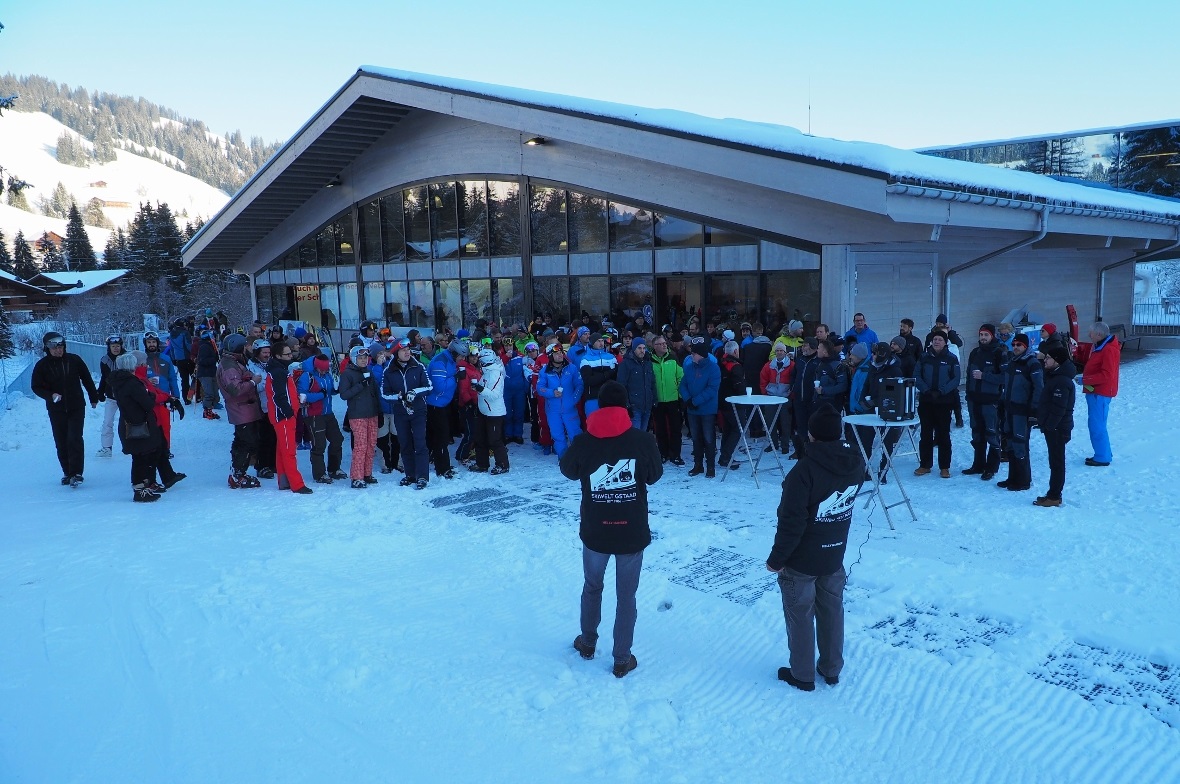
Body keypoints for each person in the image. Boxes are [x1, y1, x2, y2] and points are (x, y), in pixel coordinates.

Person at [561, 381, 663, 679]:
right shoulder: (643, 440)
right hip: (631, 531)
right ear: (625, 407)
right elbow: (655, 475)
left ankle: (588, 642)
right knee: (626, 596)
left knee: (592, 586)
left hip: (596, 530)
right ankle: (621, 659)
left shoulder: (583, 441)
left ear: (599, 406)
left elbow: (567, 470)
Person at [766, 403, 864, 692]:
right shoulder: (855, 463)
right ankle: (831, 668)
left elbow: (791, 523)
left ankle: (802, 674)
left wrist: (776, 559)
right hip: (834, 555)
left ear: (811, 435)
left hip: (802, 561)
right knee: (832, 611)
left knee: (800, 615)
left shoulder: (803, 472)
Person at [31, 331, 99, 487]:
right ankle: (67, 473)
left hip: (76, 406)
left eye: (60, 347)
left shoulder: (74, 360)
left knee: (75, 438)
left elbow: (87, 378)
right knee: (61, 440)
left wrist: (93, 397)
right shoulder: (42, 365)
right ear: (47, 348)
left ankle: (76, 473)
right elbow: (35, 386)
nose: (58, 350)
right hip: (56, 409)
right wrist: (50, 395)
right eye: (54, 348)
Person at [108, 353, 171, 502]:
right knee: (142, 457)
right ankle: (140, 489)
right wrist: (151, 395)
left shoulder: (118, 382)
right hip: (139, 424)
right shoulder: (132, 383)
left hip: (129, 423)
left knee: (139, 456)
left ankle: (142, 486)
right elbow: (147, 403)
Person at [216, 333, 264, 489]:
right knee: (246, 442)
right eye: (244, 346)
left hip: (245, 409)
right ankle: (238, 474)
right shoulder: (229, 366)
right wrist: (253, 382)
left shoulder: (234, 361)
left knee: (243, 441)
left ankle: (238, 471)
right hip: (241, 410)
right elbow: (235, 389)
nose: (246, 348)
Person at [383, 338, 433, 488]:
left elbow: (429, 387)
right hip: (400, 412)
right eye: (403, 350)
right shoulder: (388, 371)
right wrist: (398, 398)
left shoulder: (418, 366)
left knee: (420, 443)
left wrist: (415, 392)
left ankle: (422, 476)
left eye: (408, 349)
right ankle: (410, 474)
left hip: (418, 411)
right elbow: (384, 394)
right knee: (405, 444)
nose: (407, 352)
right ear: (396, 353)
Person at [265, 342, 313, 494]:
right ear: (278, 356)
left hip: (285, 415)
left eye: (290, 353)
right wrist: (289, 412)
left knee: (282, 449)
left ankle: (284, 480)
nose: (290, 356)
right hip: (284, 417)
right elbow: (278, 396)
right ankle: (296, 484)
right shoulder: (278, 372)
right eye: (287, 354)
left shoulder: (280, 370)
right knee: (289, 451)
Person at [963, 324, 1008, 481]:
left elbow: (1005, 378)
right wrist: (968, 395)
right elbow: (969, 376)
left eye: (986, 335)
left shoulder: (999, 353)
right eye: (981, 334)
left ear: (992, 336)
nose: (983, 337)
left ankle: (991, 467)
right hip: (974, 400)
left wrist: (984, 376)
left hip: (991, 401)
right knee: (977, 433)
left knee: (991, 433)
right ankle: (978, 464)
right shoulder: (975, 352)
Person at [998, 334, 1042, 492]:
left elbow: (1039, 388)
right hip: (1010, 409)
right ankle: (1013, 477)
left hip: (1022, 411)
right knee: (1010, 443)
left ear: (1026, 346)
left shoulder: (1032, 363)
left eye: (1019, 345)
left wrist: (1034, 410)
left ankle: (1023, 480)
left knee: (1020, 444)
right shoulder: (1012, 361)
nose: (1015, 347)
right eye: (1014, 344)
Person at [914, 331, 960, 478]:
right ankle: (925, 465)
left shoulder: (951, 358)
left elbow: (956, 379)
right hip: (926, 401)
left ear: (945, 342)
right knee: (925, 434)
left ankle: (944, 467)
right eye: (935, 339)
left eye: (940, 339)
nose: (937, 341)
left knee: (943, 435)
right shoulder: (924, 357)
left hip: (944, 402)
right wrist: (926, 390)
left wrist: (942, 391)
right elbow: (916, 375)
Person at [1035, 344, 1076, 507]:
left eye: (1048, 358)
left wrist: (1050, 426)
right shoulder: (1055, 376)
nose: (1045, 360)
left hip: (1058, 428)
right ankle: (1053, 493)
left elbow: (1059, 408)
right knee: (1055, 462)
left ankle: (1054, 496)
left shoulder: (1061, 381)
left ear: (1057, 361)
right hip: (1054, 427)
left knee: (1057, 463)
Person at [298, 351, 346, 485]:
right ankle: (319, 474)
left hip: (327, 412)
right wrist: (321, 395)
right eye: (322, 369)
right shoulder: (307, 376)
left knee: (337, 439)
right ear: (316, 366)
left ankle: (334, 469)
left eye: (326, 369)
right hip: (313, 414)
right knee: (319, 445)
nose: (324, 372)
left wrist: (336, 389)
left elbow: (328, 391)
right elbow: (302, 396)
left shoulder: (327, 375)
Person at [338, 345, 382, 488]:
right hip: (357, 415)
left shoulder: (369, 371)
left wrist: (379, 411)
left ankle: (367, 473)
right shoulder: (347, 374)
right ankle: (356, 477)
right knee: (361, 446)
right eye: (360, 358)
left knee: (371, 445)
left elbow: (375, 393)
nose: (364, 360)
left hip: (372, 413)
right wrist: (360, 385)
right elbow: (344, 394)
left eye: (365, 358)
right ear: (353, 359)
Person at [679, 337, 721, 477]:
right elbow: (683, 385)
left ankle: (710, 467)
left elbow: (712, 389)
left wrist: (695, 401)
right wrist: (688, 400)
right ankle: (698, 465)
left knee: (708, 438)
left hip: (707, 409)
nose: (691, 356)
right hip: (692, 409)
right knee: (696, 438)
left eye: (694, 353)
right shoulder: (689, 367)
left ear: (701, 355)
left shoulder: (713, 368)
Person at [1080, 322, 1120, 467]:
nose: (1089, 335)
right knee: (1097, 424)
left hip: (1100, 393)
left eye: (1091, 333)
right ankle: (1104, 453)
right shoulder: (1102, 346)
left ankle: (1102, 457)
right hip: (1096, 391)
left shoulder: (1108, 349)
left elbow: (1106, 375)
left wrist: (1085, 380)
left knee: (1097, 426)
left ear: (1099, 334)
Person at [536, 343, 584, 458]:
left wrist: (573, 400)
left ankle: (579, 458)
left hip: (570, 409)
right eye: (556, 353)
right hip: (553, 410)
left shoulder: (572, 368)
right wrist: (551, 393)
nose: (560, 355)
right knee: (558, 436)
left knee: (575, 434)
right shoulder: (544, 371)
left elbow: (579, 385)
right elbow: (540, 388)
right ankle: (563, 458)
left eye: (561, 352)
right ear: (550, 356)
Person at [424, 339, 460, 480]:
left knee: (434, 436)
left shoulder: (449, 359)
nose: (462, 360)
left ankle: (430, 462)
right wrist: (455, 378)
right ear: (455, 353)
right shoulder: (440, 362)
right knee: (441, 437)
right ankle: (443, 468)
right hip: (436, 404)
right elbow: (439, 387)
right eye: (461, 356)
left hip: (442, 403)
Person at [471, 347, 510, 474]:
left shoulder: (495, 373)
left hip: (494, 413)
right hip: (484, 410)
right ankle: (482, 464)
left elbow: (494, 395)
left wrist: (479, 389)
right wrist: (478, 388)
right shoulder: (486, 372)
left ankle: (502, 465)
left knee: (495, 440)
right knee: (480, 438)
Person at [648, 335, 684, 465]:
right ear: (654, 346)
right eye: (661, 344)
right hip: (658, 401)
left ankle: (676, 454)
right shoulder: (649, 360)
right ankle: (663, 453)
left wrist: (680, 396)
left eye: (665, 343)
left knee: (676, 429)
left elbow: (681, 377)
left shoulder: (673, 358)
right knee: (660, 429)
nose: (664, 345)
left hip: (673, 399)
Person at [926, 314, 965, 428]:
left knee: (954, 395)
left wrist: (951, 332)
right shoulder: (931, 336)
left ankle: (958, 417)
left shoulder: (952, 344)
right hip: (935, 373)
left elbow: (958, 346)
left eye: (941, 324)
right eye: (937, 323)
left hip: (949, 373)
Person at [248, 339, 278, 479]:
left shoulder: (272, 364)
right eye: (264, 352)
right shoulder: (251, 366)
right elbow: (256, 386)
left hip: (273, 406)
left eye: (268, 352)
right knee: (264, 438)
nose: (267, 355)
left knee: (274, 437)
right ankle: (262, 466)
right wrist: (268, 383)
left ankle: (272, 463)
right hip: (260, 407)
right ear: (257, 353)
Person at [717, 341, 746, 471]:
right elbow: (739, 386)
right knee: (738, 429)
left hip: (723, 402)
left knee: (728, 430)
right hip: (735, 403)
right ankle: (726, 456)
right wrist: (744, 395)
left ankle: (724, 456)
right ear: (735, 351)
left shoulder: (721, 363)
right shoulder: (735, 366)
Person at [760, 342, 794, 454]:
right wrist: (765, 393)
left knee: (786, 423)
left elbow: (794, 381)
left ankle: (785, 445)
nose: (779, 352)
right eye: (777, 350)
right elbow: (763, 380)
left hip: (785, 398)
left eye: (781, 350)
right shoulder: (768, 365)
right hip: (771, 397)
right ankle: (773, 444)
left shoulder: (792, 365)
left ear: (785, 352)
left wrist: (791, 394)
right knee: (770, 423)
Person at [617, 337, 656, 431]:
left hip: (647, 405)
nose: (642, 350)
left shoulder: (648, 363)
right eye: (639, 348)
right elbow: (621, 385)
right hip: (634, 406)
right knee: (635, 435)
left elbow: (652, 383)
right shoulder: (626, 364)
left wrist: (654, 401)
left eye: (644, 348)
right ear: (634, 348)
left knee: (643, 434)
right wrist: (627, 405)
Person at [789, 338, 820, 458]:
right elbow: (794, 374)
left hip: (812, 399)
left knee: (813, 425)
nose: (802, 348)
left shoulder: (818, 360)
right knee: (800, 425)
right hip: (799, 398)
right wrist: (793, 387)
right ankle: (801, 450)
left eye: (805, 346)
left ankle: (813, 449)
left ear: (812, 347)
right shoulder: (800, 359)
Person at [95, 335, 125, 458]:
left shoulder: (127, 358)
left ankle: (132, 445)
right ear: (109, 347)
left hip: (125, 396)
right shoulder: (104, 360)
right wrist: (100, 392)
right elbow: (104, 377)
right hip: (111, 397)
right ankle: (107, 448)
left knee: (129, 421)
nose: (116, 348)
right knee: (107, 422)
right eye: (113, 346)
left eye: (118, 346)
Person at [580, 333, 618, 418]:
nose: (601, 343)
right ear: (592, 343)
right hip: (593, 398)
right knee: (594, 423)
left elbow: (616, 377)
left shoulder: (611, 357)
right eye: (598, 341)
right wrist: (607, 374)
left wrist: (597, 375)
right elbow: (589, 380)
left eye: (602, 341)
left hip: (609, 397)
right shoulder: (586, 359)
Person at [196, 328, 221, 419]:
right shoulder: (204, 346)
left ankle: (215, 403)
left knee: (215, 389)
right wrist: (213, 359)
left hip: (211, 371)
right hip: (205, 373)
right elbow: (202, 360)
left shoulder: (210, 345)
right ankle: (207, 410)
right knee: (209, 392)